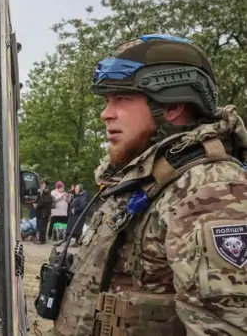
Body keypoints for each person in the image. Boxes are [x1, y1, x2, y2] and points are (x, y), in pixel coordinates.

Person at [46, 34, 247, 335]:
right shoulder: (144, 180)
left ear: (173, 105)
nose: (105, 113)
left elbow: (225, 326)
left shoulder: (209, 189)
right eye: (106, 101)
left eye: (121, 99)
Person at [34, 180, 53, 244]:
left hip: (44, 213)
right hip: (40, 212)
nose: (41, 185)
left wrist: (37, 205)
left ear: (45, 185)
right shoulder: (42, 192)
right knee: (40, 226)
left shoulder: (47, 192)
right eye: (41, 184)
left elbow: (45, 202)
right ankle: (40, 239)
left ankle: (42, 240)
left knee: (43, 227)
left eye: (42, 184)